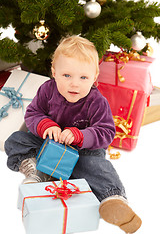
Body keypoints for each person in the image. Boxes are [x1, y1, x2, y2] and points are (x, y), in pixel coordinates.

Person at [4, 35, 142, 233]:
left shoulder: (97, 101)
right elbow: (33, 114)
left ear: (94, 78)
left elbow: (106, 132)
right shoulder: (47, 90)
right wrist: (45, 125)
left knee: (98, 167)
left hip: (82, 152)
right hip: (47, 145)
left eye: (83, 77)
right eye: (66, 76)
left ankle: (113, 200)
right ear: (54, 72)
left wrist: (80, 136)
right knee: (15, 140)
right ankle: (37, 169)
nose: (74, 84)